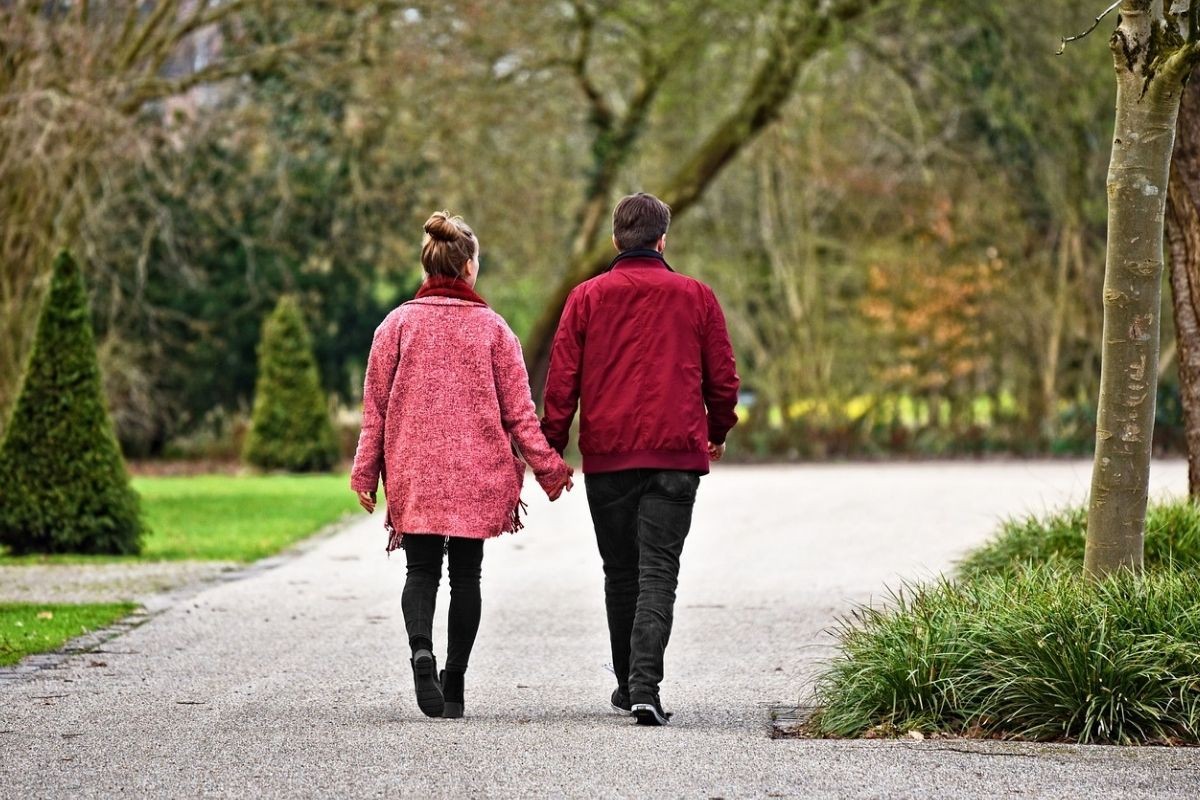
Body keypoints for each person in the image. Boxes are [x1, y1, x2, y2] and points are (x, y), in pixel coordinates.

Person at [351, 211, 573, 720]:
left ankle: (420, 651)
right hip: (477, 472)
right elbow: (519, 414)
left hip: (416, 469)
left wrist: (365, 475)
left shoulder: (396, 326)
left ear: (427, 266)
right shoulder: (494, 330)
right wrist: (549, 469)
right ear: (469, 268)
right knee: (467, 577)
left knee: (421, 569)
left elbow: (375, 412)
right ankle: (454, 685)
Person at [541, 192, 739, 726]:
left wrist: (551, 449)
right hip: (676, 455)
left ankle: (630, 685)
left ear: (615, 240)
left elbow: (561, 383)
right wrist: (717, 430)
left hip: (609, 457)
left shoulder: (585, 298)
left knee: (620, 571)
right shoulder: (696, 296)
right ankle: (645, 685)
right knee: (659, 571)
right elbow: (723, 378)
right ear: (662, 239)